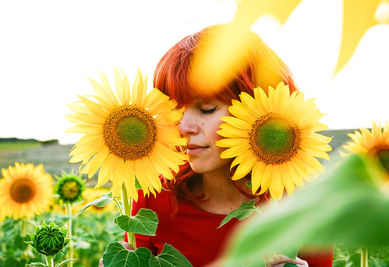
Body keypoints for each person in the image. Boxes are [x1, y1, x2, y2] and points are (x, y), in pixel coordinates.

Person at [100, 25, 333, 267]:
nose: (183, 126)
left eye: (206, 108)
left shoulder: (306, 206)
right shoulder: (154, 199)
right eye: (174, 109)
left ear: (262, 111)